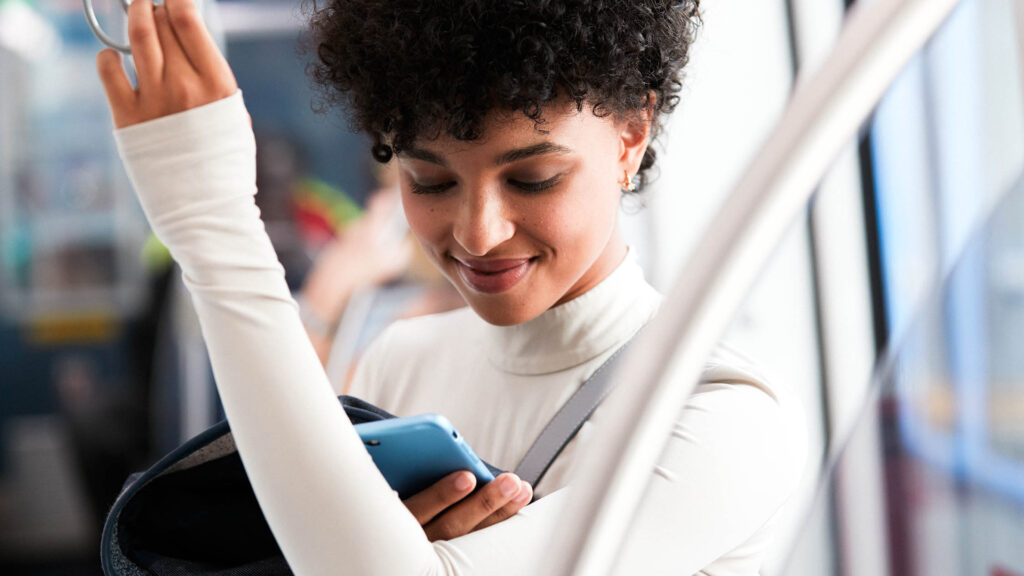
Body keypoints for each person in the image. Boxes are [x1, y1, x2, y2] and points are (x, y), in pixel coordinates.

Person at [95, 0, 806, 573]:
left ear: (631, 136)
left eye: (533, 177)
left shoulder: (723, 421)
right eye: (429, 180)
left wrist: (216, 234)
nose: (477, 234)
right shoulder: (398, 361)